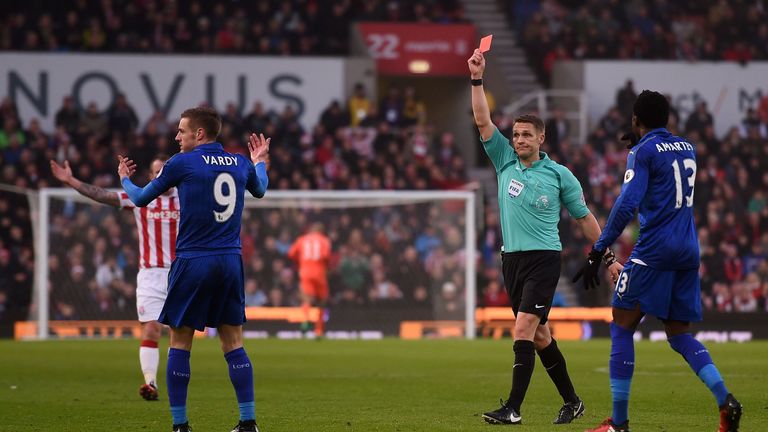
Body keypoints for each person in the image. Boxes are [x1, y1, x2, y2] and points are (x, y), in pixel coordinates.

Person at [467, 48, 623, 426]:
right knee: (539, 337)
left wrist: (607, 257)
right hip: (511, 261)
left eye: (526, 135)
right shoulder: (504, 159)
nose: (518, 139)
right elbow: (482, 120)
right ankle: (573, 402)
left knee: (522, 328)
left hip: (543, 259)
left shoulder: (560, 175)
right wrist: (477, 79)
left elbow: (585, 219)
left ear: (541, 137)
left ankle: (513, 408)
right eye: (516, 134)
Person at [575, 90, 742, 432]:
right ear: (668, 119)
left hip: (654, 250)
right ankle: (725, 400)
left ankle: (618, 424)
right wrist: (642, 144)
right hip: (687, 250)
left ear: (636, 119)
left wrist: (598, 249)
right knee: (679, 334)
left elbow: (627, 204)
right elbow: (665, 171)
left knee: (621, 325)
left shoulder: (643, 151)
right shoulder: (687, 147)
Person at [118, 106, 270, 432]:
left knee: (179, 341)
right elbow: (260, 189)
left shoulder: (182, 163)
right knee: (233, 341)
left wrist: (125, 180)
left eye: (181, 130)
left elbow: (141, 199)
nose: (177, 136)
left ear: (199, 134)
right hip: (230, 260)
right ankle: (247, 423)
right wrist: (260, 161)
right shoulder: (240, 162)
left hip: (193, 260)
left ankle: (180, 426)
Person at [50, 154, 177, 402]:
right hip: (151, 273)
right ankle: (150, 382)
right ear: (152, 177)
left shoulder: (188, 198)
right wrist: (71, 181)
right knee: (151, 330)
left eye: (166, 170)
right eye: (157, 171)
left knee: (178, 333)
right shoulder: (142, 198)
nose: (162, 174)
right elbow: (103, 196)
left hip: (181, 273)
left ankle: (177, 385)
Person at [287, 222, 332, 337]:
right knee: (322, 302)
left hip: (305, 272)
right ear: (322, 231)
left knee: (307, 299)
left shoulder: (302, 239)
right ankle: (319, 329)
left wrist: (301, 262)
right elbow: (326, 257)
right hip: (319, 272)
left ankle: (306, 321)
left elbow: (291, 253)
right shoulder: (325, 241)